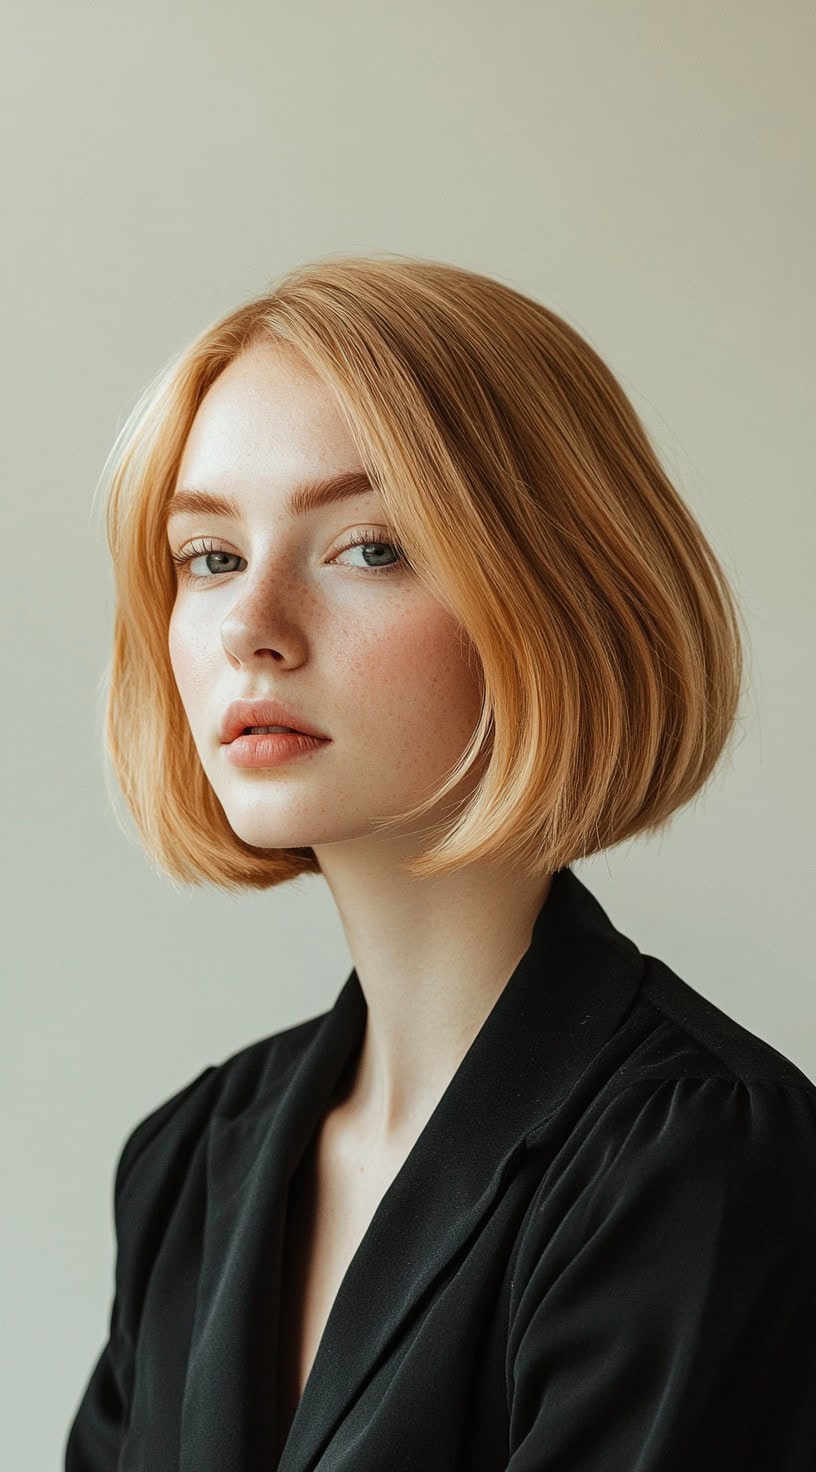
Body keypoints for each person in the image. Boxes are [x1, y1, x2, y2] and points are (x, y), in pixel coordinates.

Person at [65, 253, 816, 1471]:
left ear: (561, 595)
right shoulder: (186, 1163)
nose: (252, 624)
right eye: (208, 557)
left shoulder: (698, 1157)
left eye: (367, 547)